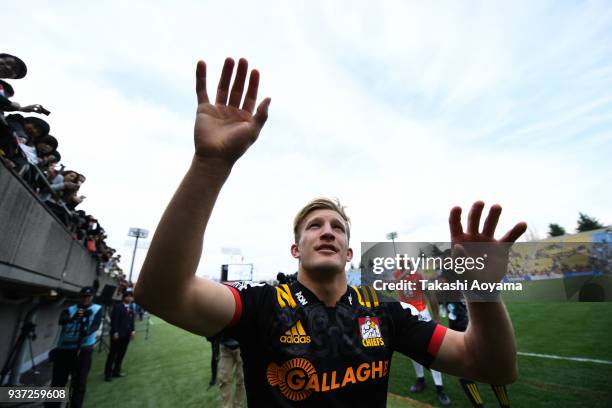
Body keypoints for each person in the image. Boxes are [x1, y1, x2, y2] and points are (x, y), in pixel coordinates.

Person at [134, 57, 527, 407]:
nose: (328, 232)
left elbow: (491, 366)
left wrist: (482, 289)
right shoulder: (264, 305)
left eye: (338, 228)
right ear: (295, 249)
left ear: (349, 252)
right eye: (314, 226)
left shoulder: (385, 312)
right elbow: (162, 293)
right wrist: (210, 165)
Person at [393, 267, 451, 405]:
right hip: (406, 317)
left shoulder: (419, 275)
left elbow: (431, 295)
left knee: (431, 351)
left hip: (422, 315)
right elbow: (390, 286)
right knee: (412, 351)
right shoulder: (396, 273)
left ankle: (440, 388)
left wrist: (436, 319)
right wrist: (403, 275)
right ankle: (421, 379)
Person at [47, 287, 102, 408]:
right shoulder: (70, 309)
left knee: (79, 383)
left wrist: (86, 333)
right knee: (58, 382)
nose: (85, 299)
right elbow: (62, 321)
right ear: (80, 296)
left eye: (88, 297)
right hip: (65, 349)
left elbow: (96, 325)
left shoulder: (97, 309)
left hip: (84, 350)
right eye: (83, 296)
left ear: (92, 297)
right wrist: (75, 317)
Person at [104, 289, 136, 381]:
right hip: (117, 335)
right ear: (124, 297)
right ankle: (108, 374)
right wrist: (115, 332)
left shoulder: (130, 308)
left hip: (126, 335)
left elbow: (131, 320)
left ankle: (116, 371)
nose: (130, 298)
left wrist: (133, 330)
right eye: (128, 296)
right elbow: (114, 320)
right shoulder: (117, 307)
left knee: (121, 354)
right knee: (112, 354)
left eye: (131, 296)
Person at [218, 336, 245, 408]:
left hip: (242, 346)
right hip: (224, 345)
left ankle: (238, 406)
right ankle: (226, 406)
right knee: (224, 378)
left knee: (241, 380)